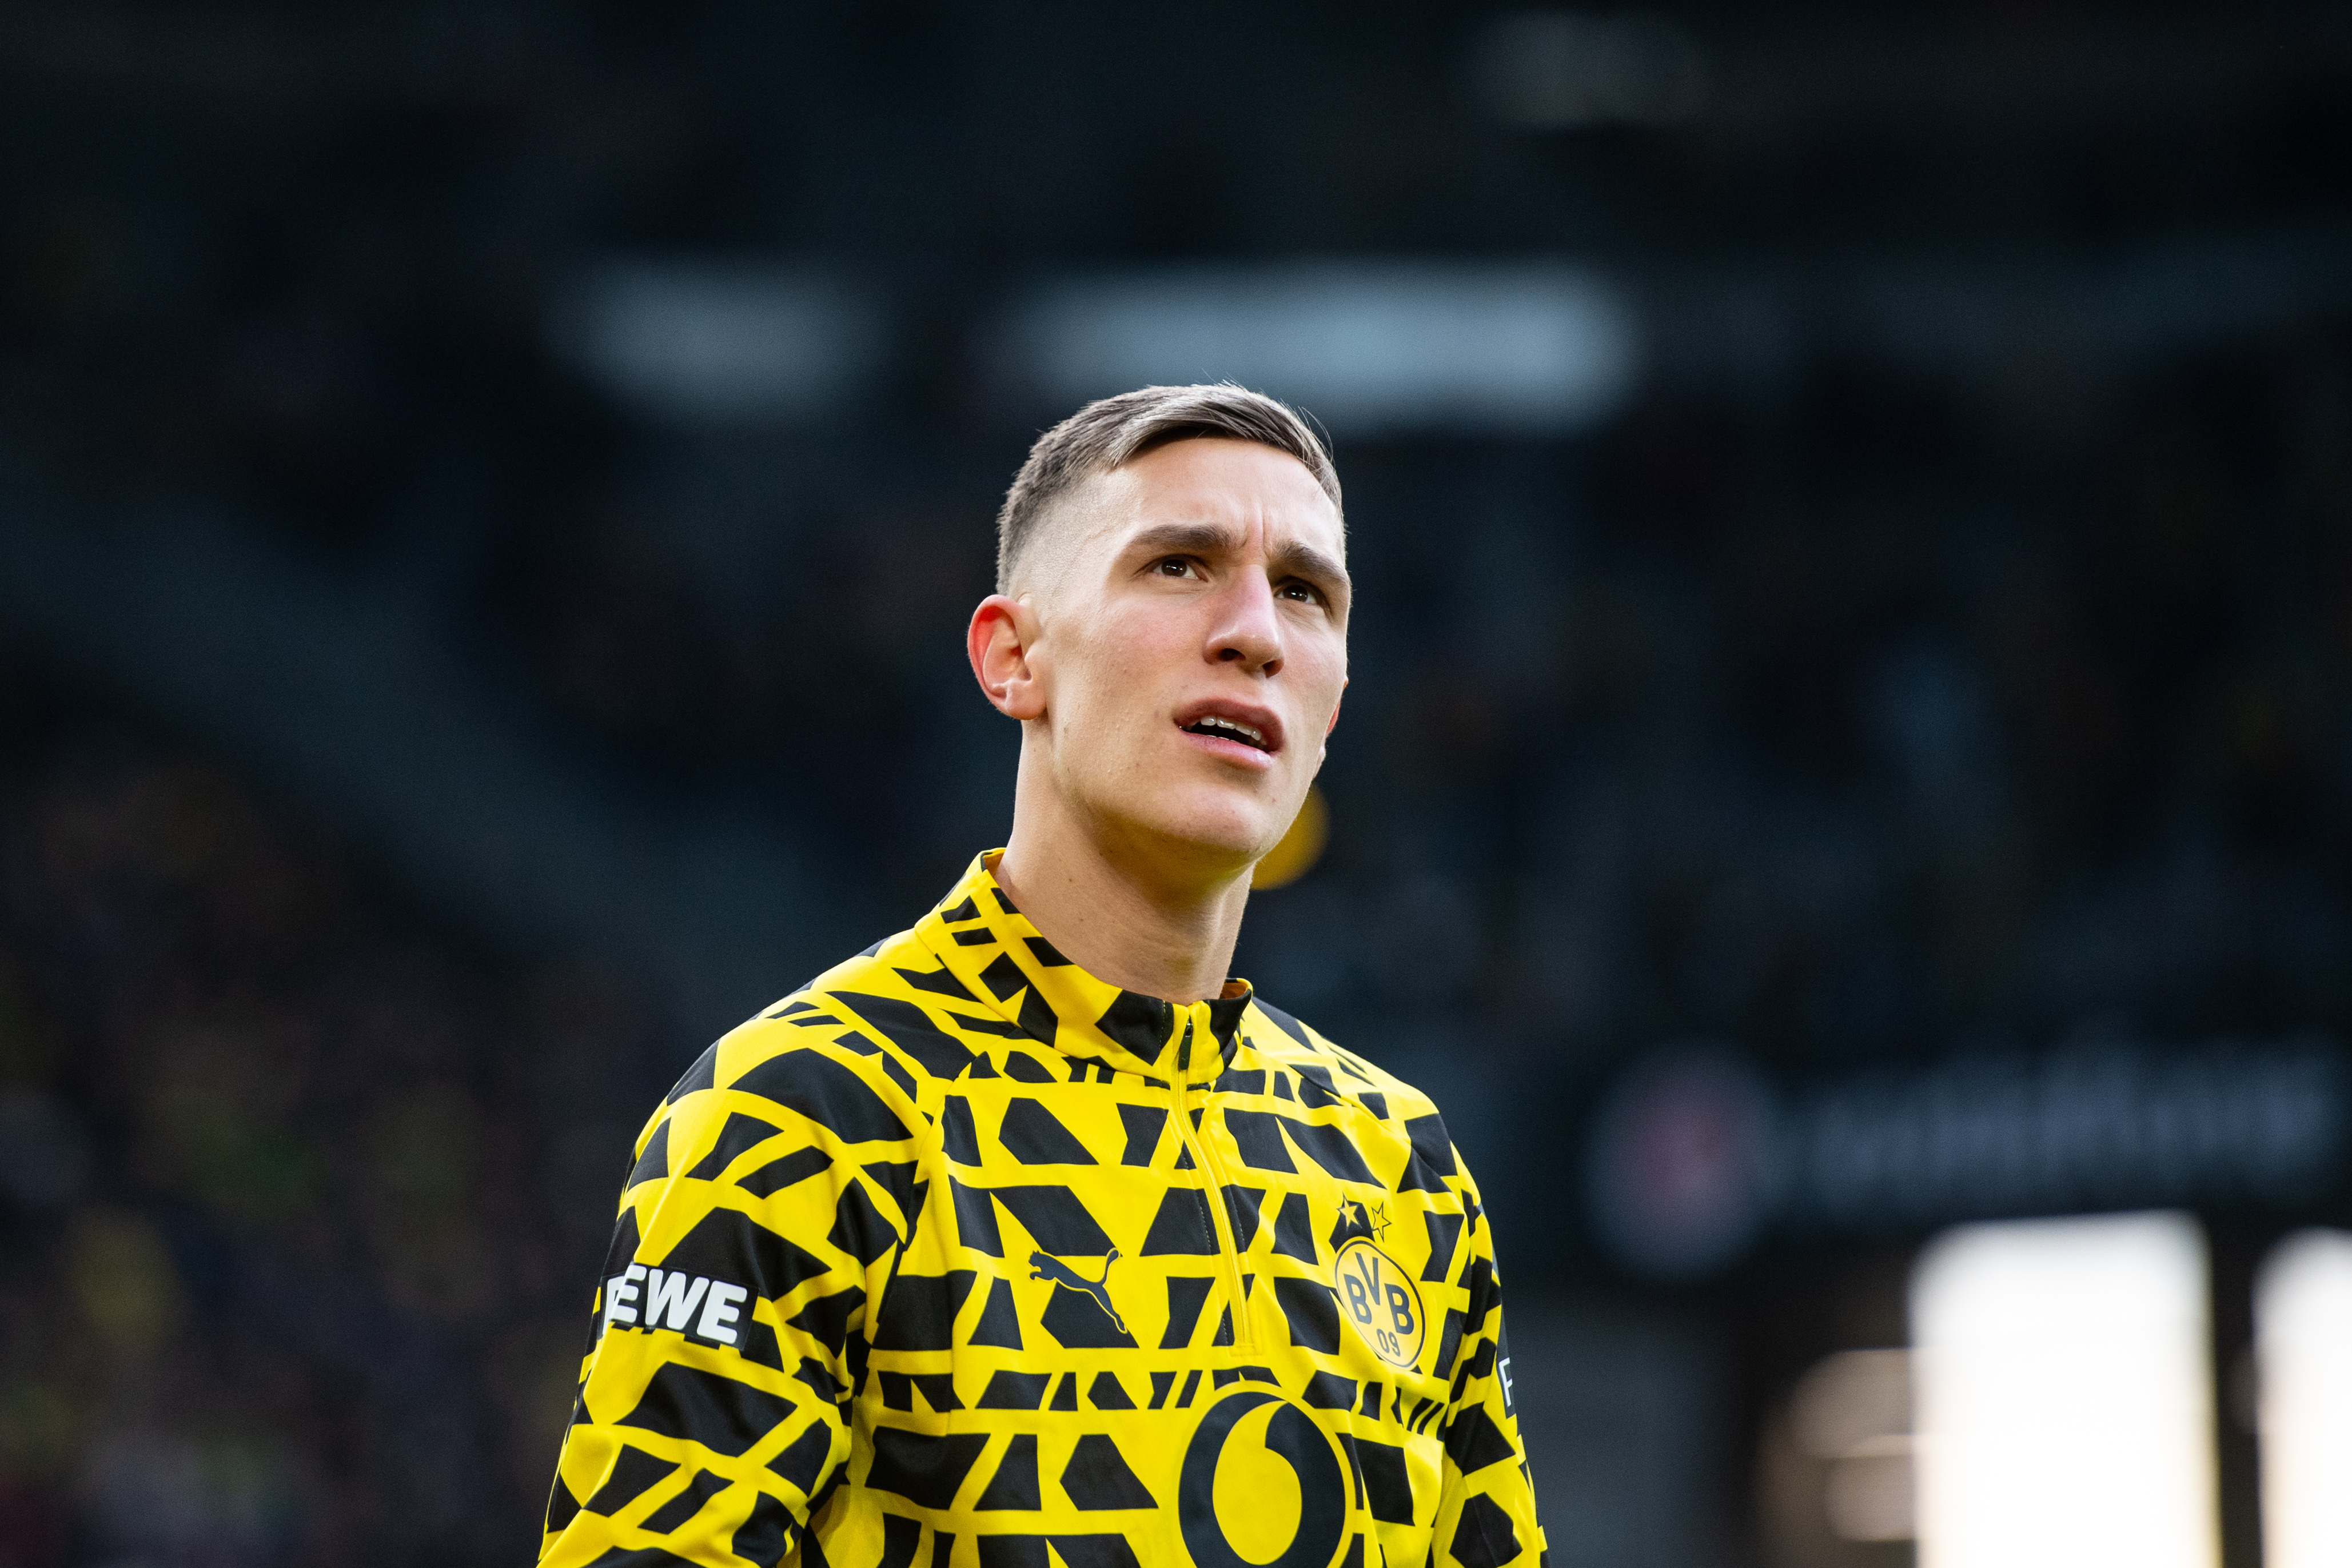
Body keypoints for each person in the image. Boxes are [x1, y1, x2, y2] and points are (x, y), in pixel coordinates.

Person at [538, 385, 1547, 1568]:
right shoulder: (801, 1115)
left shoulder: (1400, 1166)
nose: (1255, 633)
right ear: (1013, 659)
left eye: (1304, 593)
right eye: (1179, 566)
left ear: (1329, 709)